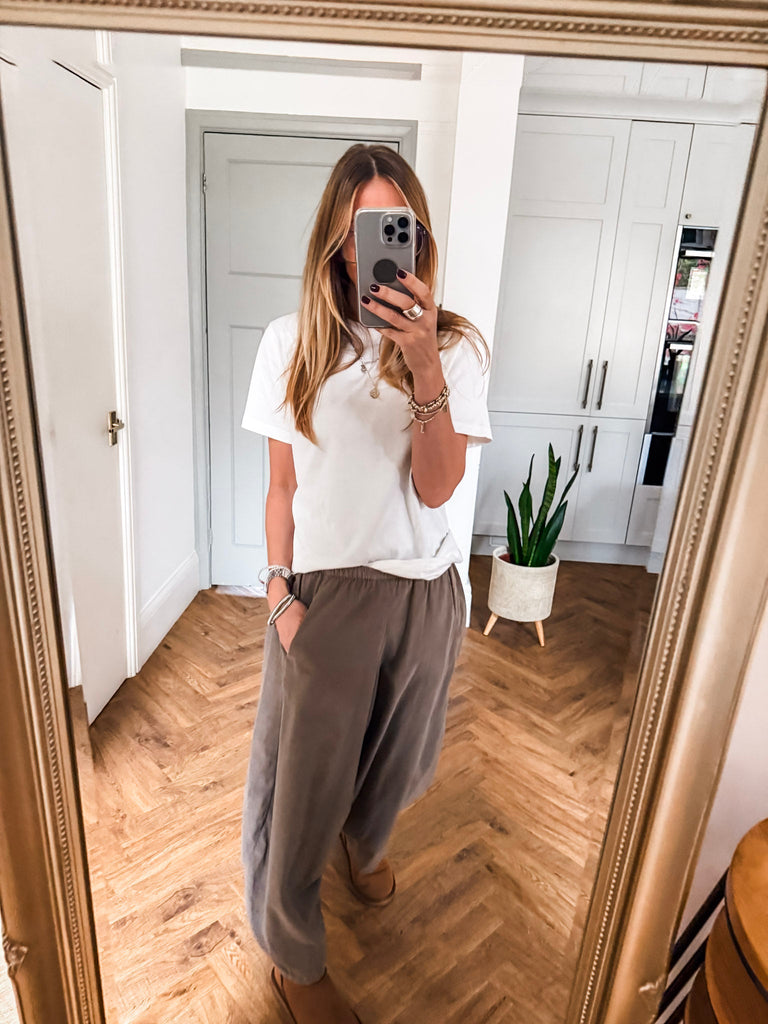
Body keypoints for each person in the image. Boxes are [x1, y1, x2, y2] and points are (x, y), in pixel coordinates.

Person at [239, 143, 492, 1024]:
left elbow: (437, 488)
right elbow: (280, 486)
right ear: (335, 240)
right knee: (299, 786)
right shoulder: (290, 342)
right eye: (360, 229)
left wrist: (423, 362)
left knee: (399, 758)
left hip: (427, 591)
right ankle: (293, 959)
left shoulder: (454, 346)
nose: (373, 248)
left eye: (395, 226)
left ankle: (366, 839)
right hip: (328, 597)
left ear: (417, 237)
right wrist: (278, 593)